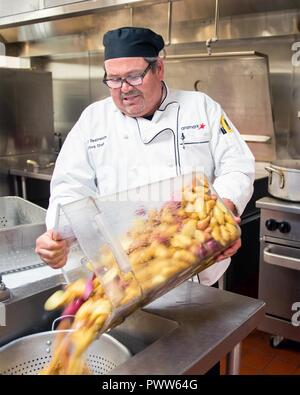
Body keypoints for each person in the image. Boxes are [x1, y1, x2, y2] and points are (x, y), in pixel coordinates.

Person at [35, 26, 255, 287]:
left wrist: (223, 209)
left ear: (158, 69)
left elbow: (237, 165)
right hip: (125, 268)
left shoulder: (200, 107)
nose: (124, 88)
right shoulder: (93, 120)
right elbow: (69, 186)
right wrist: (59, 237)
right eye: (114, 80)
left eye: (134, 76)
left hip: (196, 257)